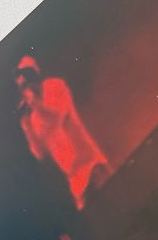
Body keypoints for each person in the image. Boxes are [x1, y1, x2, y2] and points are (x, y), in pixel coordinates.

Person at [15, 55, 112, 210]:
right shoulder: (33, 117)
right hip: (75, 182)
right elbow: (40, 153)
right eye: (23, 87)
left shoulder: (55, 86)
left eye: (27, 81)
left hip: (91, 165)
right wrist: (26, 127)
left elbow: (58, 118)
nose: (27, 89)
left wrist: (37, 105)